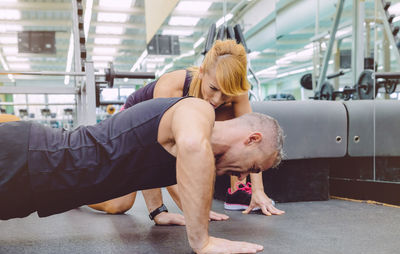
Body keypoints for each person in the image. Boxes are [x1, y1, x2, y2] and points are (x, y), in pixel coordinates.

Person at [0, 97, 284, 254]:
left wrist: (158, 211)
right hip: (24, 156)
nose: (246, 176)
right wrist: (202, 241)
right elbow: (193, 147)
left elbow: (148, 157)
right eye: (254, 168)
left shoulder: (182, 146)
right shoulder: (197, 110)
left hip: (28, 190)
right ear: (252, 139)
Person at [89, 39, 284, 222]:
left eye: (226, 94)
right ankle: (80, 197)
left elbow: (253, 143)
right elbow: (152, 152)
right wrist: (165, 210)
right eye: (213, 88)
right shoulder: (173, 86)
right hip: (133, 122)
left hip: (162, 134)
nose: (217, 100)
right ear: (201, 72)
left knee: (228, 119)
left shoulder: (236, 94)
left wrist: (258, 191)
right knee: (119, 204)